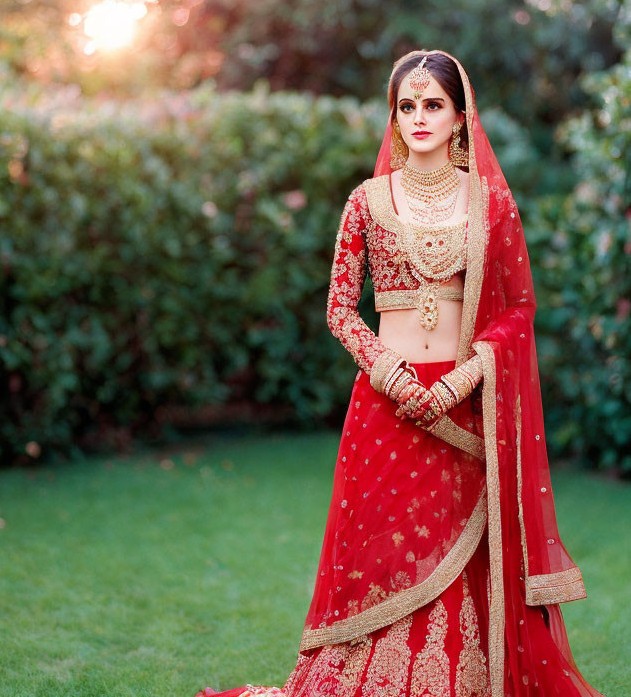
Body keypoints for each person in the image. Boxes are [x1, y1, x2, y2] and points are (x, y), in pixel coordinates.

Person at [194, 50, 605, 697]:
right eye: (406, 106)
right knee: (381, 552)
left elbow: (520, 308)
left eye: (433, 105)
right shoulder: (366, 201)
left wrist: (459, 379)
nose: (419, 117)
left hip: (461, 408)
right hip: (385, 404)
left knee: (461, 555)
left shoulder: (490, 206)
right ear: (393, 116)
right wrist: (392, 373)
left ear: (461, 118)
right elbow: (339, 308)